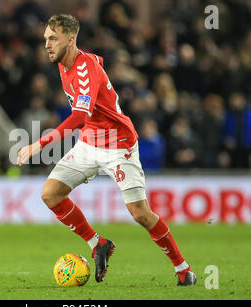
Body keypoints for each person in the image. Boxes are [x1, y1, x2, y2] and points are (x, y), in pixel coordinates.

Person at [17, 14, 196, 286]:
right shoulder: (63, 65)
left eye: (53, 38)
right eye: (45, 39)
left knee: (140, 214)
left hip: (118, 144)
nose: (47, 45)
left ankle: (183, 269)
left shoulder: (84, 67)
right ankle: (98, 243)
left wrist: (38, 144)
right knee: (51, 194)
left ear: (71, 38)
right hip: (90, 141)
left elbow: (78, 116)